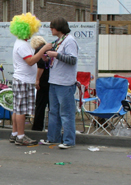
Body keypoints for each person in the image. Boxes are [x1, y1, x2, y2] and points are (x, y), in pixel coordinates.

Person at [38, 18, 79, 149]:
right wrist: (48, 57)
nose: (50, 29)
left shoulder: (69, 41)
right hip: (54, 81)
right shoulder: (58, 41)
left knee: (66, 113)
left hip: (65, 83)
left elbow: (72, 60)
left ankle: (68, 140)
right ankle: (53, 137)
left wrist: (55, 54)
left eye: (52, 27)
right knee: (53, 112)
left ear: (58, 28)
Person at [9, 13, 45, 146]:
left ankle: (14, 134)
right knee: (21, 110)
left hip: (22, 79)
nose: (32, 33)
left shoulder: (21, 43)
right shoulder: (22, 45)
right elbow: (30, 61)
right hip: (23, 80)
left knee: (17, 109)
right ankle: (21, 136)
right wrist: (42, 50)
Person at [30, 35, 50, 132]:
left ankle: (37, 127)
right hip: (51, 80)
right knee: (52, 106)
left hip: (43, 81)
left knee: (40, 105)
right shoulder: (48, 49)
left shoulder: (39, 50)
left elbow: (40, 67)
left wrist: (37, 79)